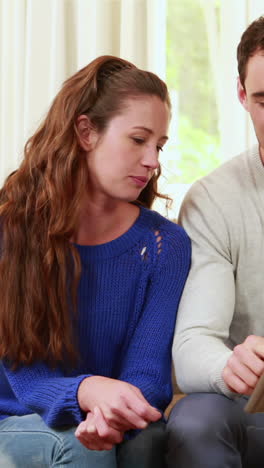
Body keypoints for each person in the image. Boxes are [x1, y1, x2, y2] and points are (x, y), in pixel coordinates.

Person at [0, 55, 191, 468]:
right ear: (86, 132)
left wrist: (110, 414)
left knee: (137, 442)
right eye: (138, 140)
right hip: (11, 418)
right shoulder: (9, 229)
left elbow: (148, 373)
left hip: (102, 419)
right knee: (83, 450)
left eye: (158, 145)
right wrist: (87, 393)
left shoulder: (165, 244)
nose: (152, 160)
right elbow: (24, 376)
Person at [166, 14, 264, 468]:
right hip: (253, 408)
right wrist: (229, 367)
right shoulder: (213, 199)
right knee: (195, 421)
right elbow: (192, 345)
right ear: (242, 96)